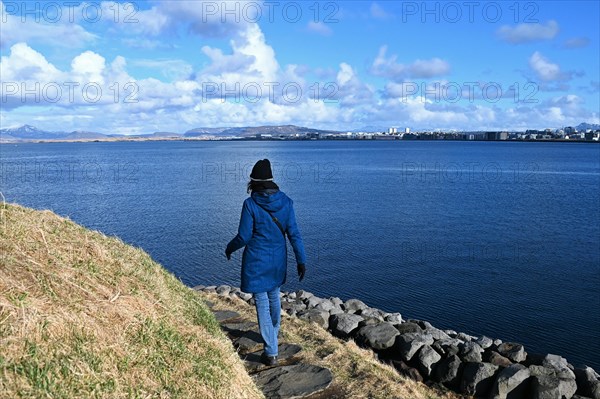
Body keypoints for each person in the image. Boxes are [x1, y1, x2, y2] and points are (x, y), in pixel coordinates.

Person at [225, 159, 306, 366]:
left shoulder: (250, 204)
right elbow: (294, 234)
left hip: (256, 260)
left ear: (254, 181)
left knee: (261, 300)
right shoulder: (286, 202)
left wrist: (230, 248)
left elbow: (243, 237)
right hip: (278, 260)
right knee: (274, 296)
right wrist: (301, 260)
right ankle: (272, 337)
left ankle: (271, 351)